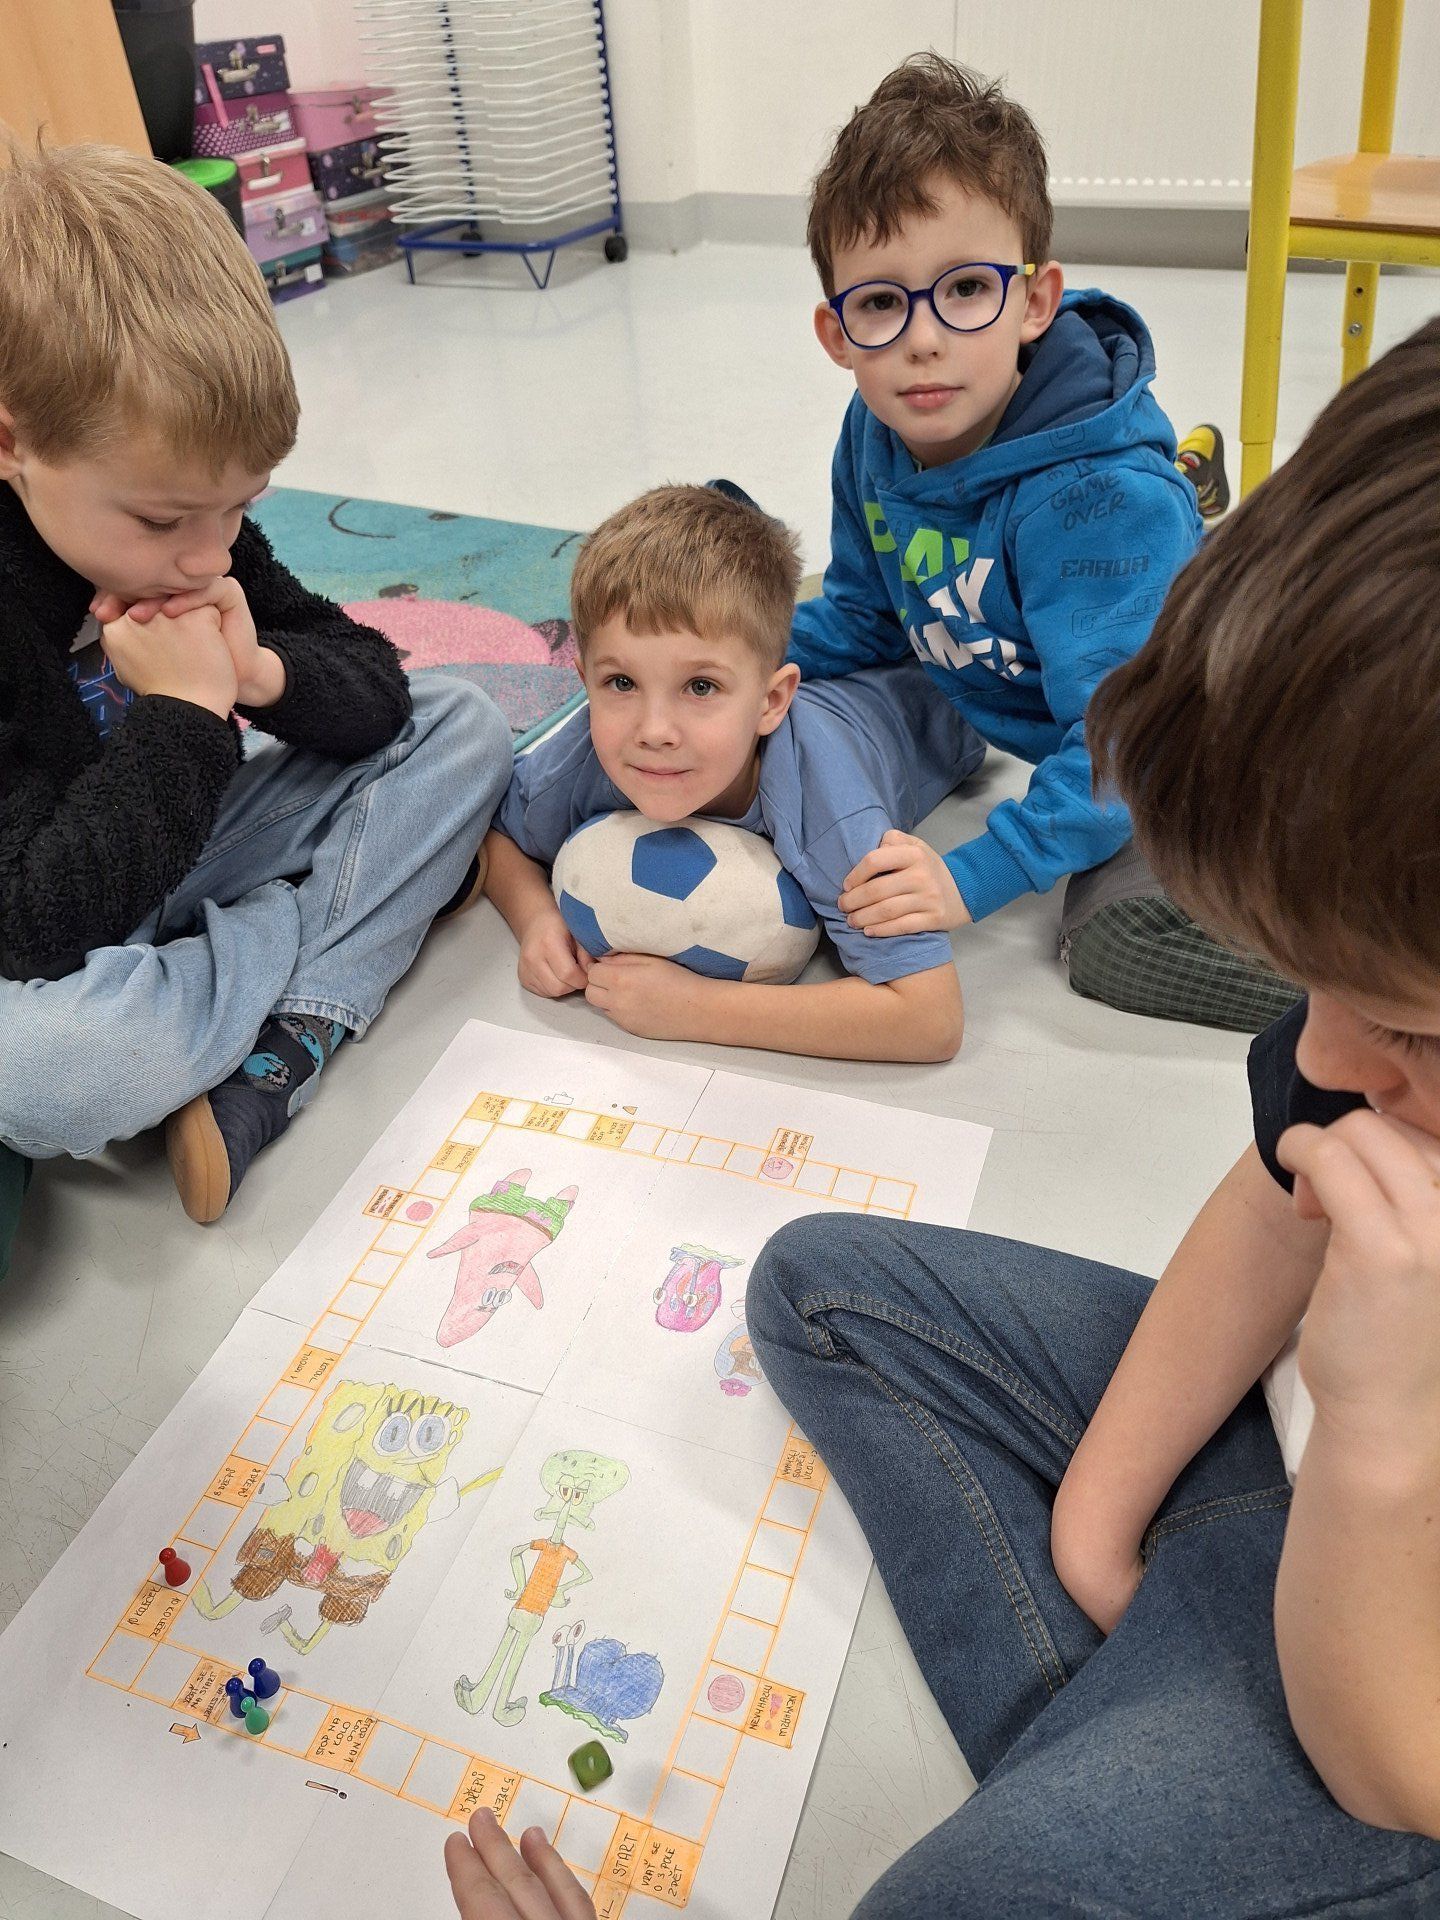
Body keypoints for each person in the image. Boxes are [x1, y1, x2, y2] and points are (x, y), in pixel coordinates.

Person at [747, 317, 1440, 1914]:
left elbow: (1395, 1773)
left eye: (1407, 1022)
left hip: (1386, 1682)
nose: (1330, 1055)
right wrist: (1094, 1535)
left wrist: (1381, 1439)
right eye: (1307, 981)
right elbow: (1272, 1202)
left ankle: (1134, 1757)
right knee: (817, 1290)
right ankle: (1133, 1730)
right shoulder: (1360, 1022)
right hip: (1288, 1467)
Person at [0, 141, 511, 1222]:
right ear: (12, 443)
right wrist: (187, 713)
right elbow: (33, 923)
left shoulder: (195, 521)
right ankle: (320, 963)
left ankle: (260, 1022)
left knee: (463, 722)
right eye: (164, 520)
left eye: (239, 507)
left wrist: (260, 671)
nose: (208, 554)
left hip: (168, 850)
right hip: (44, 913)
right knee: (49, 1073)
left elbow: (374, 688)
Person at [780, 53, 1294, 1031]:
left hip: (1216, 737)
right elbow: (864, 616)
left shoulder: (1098, 502)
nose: (922, 339)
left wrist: (974, 875)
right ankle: (1196, 490)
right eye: (880, 302)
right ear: (835, 333)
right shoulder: (875, 430)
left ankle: (1399, 990)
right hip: (1116, 655)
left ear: (1035, 301)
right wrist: (732, 658)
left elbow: (1121, 749)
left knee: (1118, 943)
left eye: (966, 289)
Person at [484, 484, 982, 1063]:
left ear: (773, 703)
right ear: (584, 682)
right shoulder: (589, 749)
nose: (654, 730)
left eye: (700, 687)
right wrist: (536, 919)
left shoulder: (831, 808)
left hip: (938, 695)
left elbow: (930, 1020)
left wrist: (696, 1009)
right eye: (621, 682)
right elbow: (496, 832)